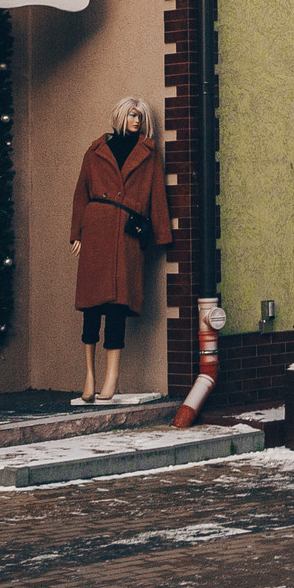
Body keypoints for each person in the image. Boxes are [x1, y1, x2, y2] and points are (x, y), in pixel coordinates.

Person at [69, 96, 173, 403]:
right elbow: (80, 192)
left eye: (140, 116)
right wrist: (76, 233)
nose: (137, 121)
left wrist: (162, 235)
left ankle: (111, 376)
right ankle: (88, 375)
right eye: (132, 115)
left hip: (127, 234)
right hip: (96, 231)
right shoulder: (96, 150)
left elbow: (157, 193)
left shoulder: (148, 153)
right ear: (119, 116)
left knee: (117, 306)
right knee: (90, 307)